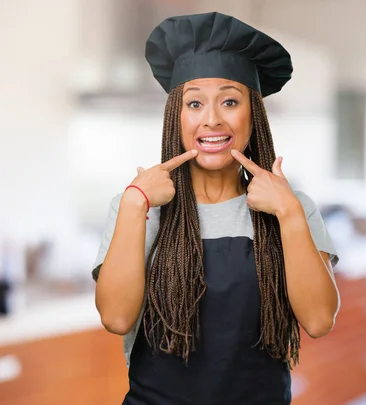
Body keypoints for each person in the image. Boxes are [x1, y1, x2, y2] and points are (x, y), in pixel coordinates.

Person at [91, 11, 340, 405]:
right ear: (176, 116)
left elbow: (319, 320)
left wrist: (289, 215)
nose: (211, 120)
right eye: (194, 103)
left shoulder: (292, 208)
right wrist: (135, 203)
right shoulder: (137, 206)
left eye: (229, 101)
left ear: (252, 116)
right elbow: (116, 318)